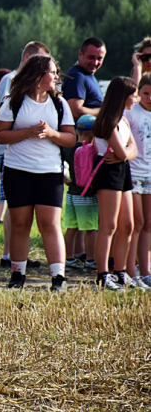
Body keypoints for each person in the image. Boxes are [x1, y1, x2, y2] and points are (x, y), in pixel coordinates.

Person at [0, 55, 76, 291]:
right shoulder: (14, 102)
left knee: (50, 224)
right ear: (38, 75)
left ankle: (58, 278)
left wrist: (51, 133)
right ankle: (17, 275)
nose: (57, 76)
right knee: (20, 224)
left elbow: (70, 139)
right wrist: (27, 132)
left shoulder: (60, 104)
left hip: (50, 172)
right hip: (17, 171)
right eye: (52, 72)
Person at [0, 42, 50, 268]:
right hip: (12, 150)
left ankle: (14, 253)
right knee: (14, 204)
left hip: (26, 149)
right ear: (27, 57)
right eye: (38, 60)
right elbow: (8, 115)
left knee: (15, 205)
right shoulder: (12, 79)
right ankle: (10, 253)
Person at [91, 77, 138, 291]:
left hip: (122, 171)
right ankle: (103, 274)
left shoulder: (124, 120)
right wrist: (124, 154)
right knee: (109, 225)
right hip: (108, 173)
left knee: (127, 224)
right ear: (122, 95)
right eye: (133, 94)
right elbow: (123, 151)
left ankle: (120, 271)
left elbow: (133, 150)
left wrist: (123, 155)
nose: (136, 98)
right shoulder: (107, 121)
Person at [61, 115, 98, 272]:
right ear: (93, 132)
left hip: (72, 193)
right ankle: (90, 260)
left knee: (71, 228)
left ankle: (68, 259)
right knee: (91, 229)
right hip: (87, 195)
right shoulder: (90, 149)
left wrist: (65, 179)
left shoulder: (68, 146)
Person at [124, 73, 151, 289]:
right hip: (133, 174)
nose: (149, 98)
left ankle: (145, 271)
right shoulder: (132, 113)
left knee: (148, 225)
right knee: (136, 223)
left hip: (150, 175)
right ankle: (130, 271)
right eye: (145, 93)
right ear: (139, 93)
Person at [62, 37, 106, 121]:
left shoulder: (87, 75)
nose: (95, 62)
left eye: (99, 59)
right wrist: (103, 111)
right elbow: (75, 112)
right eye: (91, 57)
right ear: (80, 54)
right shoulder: (77, 76)